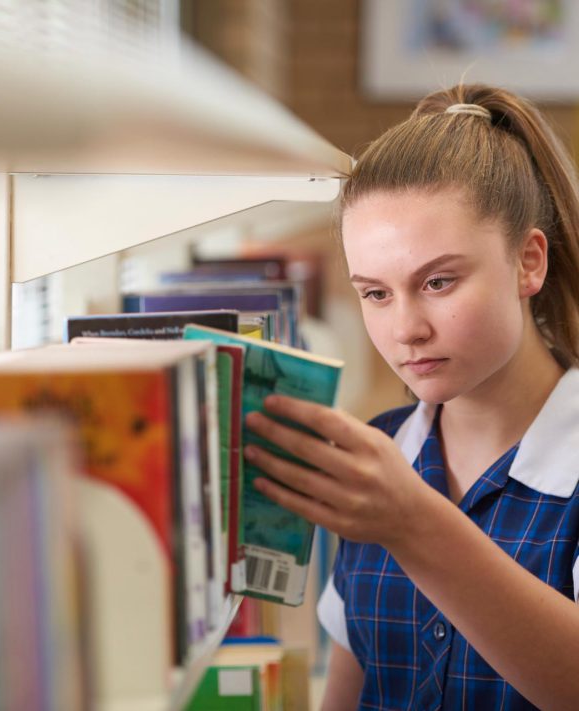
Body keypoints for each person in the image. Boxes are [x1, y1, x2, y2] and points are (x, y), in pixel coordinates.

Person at [243, 83, 579, 710]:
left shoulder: (388, 490)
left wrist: (412, 523)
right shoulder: (381, 453)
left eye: (439, 281)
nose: (405, 330)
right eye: (375, 293)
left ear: (528, 263)